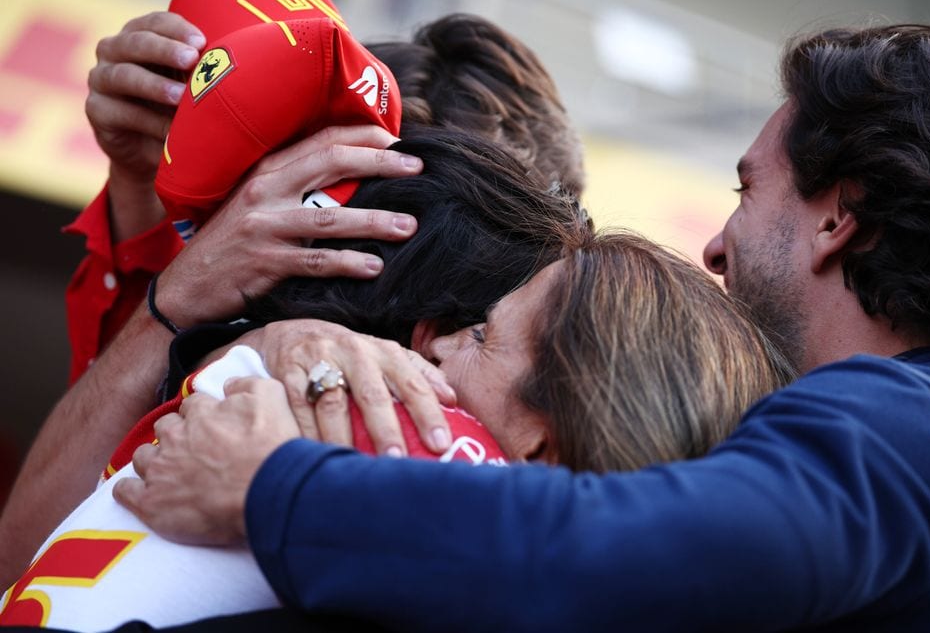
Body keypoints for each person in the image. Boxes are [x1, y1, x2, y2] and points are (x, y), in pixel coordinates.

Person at [110, 24, 930, 631]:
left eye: (748, 190)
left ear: (840, 215)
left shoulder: (921, 428)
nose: (714, 243)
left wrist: (274, 488)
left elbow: (641, 558)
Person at [0, 0, 584, 587]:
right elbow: (20, 564)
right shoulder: (234, 272)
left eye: (475, 316)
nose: (426, 338)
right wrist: (149, 193)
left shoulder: (575, 438)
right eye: (348, 212)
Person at [0, 228, 787, 630]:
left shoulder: (402, 454)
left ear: (548, 440)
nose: (431, 344)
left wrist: (263, 350)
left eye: (476, 334)